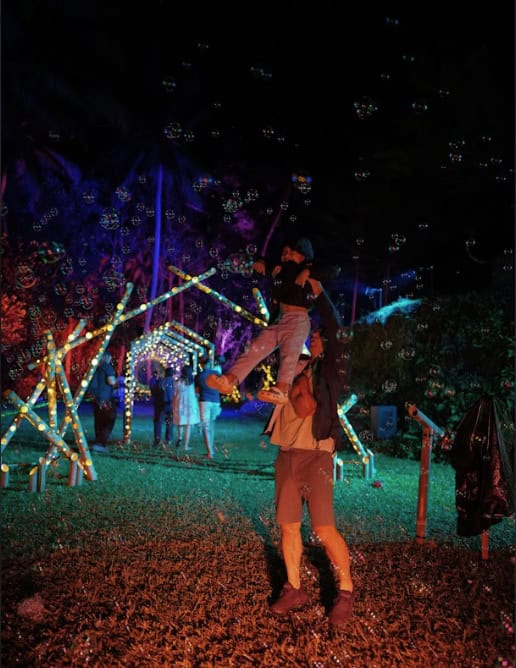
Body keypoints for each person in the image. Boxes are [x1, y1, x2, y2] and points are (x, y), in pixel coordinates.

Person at [264, 287, 354, 626]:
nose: (313, 336)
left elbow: (336, 329)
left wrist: (321, 295)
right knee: (288, 525)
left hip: (317, 456)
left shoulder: (333, 372)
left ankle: (345, 592)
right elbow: (280, 332)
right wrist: (282, 291)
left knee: (324, 527)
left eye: (318, 334)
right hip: (286, 453)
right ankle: (294, 588)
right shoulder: (294, 366)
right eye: (312, 333)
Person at [206, 238, 326, 405]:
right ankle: (230, 380)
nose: (285, 255)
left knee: (289, 355)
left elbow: (331, 270)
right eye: (283, 252)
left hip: (298, 319)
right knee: (255, 348)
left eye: (290, 252)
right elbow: (262, 265)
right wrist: (259, 262)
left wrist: (307, 271)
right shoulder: (280, 269)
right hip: (279, 319)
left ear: (303, 255)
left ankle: (282, 390)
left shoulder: (309, 269)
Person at [89, 351, 118, 454]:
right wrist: (117, 383)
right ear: (106, 357)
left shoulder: (94, 368)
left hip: (96, 399)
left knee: (99, 421)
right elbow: (111, 381)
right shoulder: (107, 367)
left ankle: (97, 442)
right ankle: (100, 444)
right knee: (109, 420)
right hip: (105, 398)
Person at [196, 356, 223, 458]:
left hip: (205, 402)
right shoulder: (216, 374)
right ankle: (211, 450)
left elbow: (197, 391)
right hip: (216, 401)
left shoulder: (200, 376)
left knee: (206, 427)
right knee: (212, 425)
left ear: (201, 365)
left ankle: (210, 452)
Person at [173, 364, 200, 452]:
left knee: (180, 422)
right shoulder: (192, 383)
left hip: (180, 403)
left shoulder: (178, 382)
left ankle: (180, 437)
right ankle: (186, 445)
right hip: (189, 405)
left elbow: (175, 393)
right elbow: (195, 393)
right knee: (188, 425)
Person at [150, 367, 175, 447]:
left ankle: (157, 438)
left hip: (161, 404)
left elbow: (154, 392)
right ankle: (169, 439)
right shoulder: (174, 382)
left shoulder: (161, 381)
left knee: (158, 421)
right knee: (169, 422)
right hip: (170, 404)